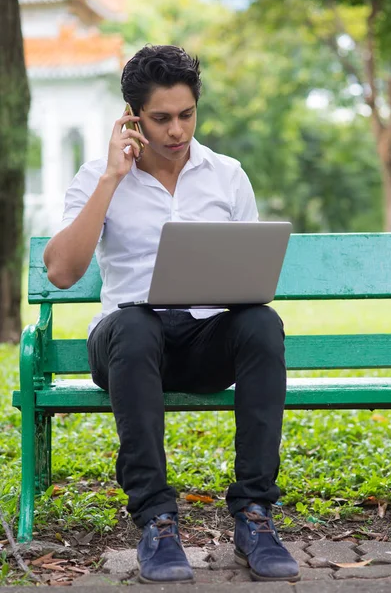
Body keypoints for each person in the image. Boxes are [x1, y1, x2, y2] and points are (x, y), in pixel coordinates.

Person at [44, 44, 299, 585]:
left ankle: (254, 515)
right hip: (129, 346)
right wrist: (112, 178)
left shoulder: (227, 175)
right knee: (136, 324)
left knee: (261, 323)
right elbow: (62, 272)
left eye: (186, 115)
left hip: (206, 342)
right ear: (132, 118)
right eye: (161, 118)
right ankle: (157, 521)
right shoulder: (97, 176)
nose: (177, 130)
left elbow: (252, 278)